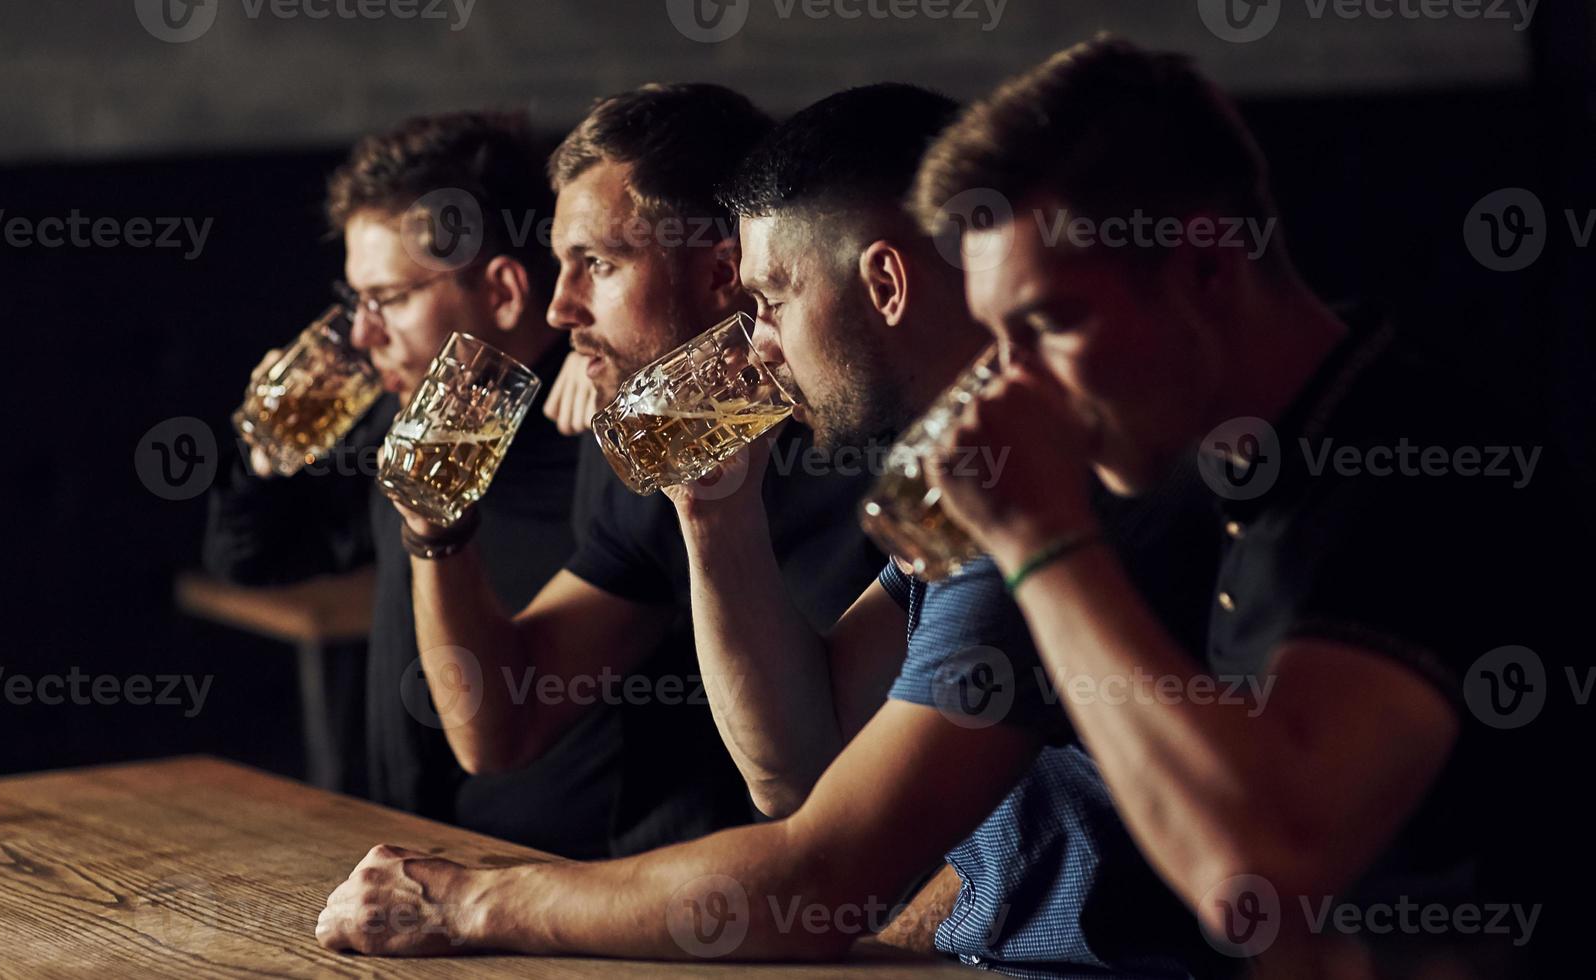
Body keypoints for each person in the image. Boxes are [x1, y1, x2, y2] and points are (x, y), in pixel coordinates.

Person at [315, 85, 1222, 975]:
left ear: (884, 283)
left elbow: (817, 879)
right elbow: (798, 768)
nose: (754, 342)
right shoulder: (967, 474)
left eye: (770, 303)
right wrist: (714, 514)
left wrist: (470, 903)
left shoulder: (1046, 473)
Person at [913, 35, 1581, 972]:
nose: (1013, 387)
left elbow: (1258, 877)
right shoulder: (1238, 473)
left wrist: (1039, 540)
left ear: (1207, 268)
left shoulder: (1414, 463)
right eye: (997, 338)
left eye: (1051, 323)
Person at [383, 82, 886, 860]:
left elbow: (847, 816)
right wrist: (434, 529)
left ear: (724, 274)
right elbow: (501, 729)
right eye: (560, 266)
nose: (559, 308)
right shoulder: (675, 441)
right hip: (692, 906)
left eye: (597, 265)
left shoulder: (896, 446)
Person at [203, 111, 609, 858]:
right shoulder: (403, 415)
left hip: (560, 891)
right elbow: (251, 558)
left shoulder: (605, 438)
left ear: (506, 292)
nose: (361, 334)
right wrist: (268, 451)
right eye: (355, 300)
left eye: (387, 299)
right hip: (408, 856)